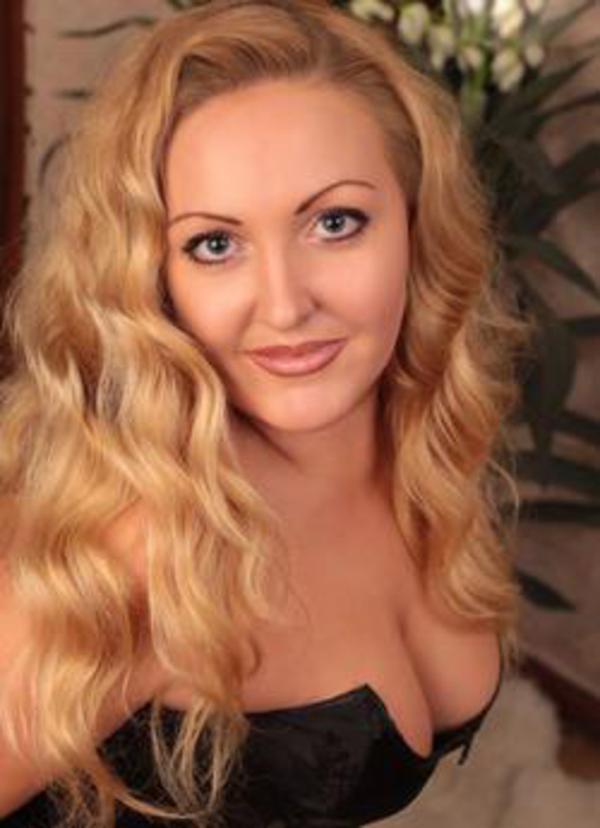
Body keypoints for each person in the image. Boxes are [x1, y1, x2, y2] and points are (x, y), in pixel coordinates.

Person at [0, 0, 533, 825]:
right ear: (154, 280)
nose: (284, 306)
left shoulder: (420, 445)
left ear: (417, 226)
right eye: (215, 244)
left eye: (335, 223)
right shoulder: (138, 551)